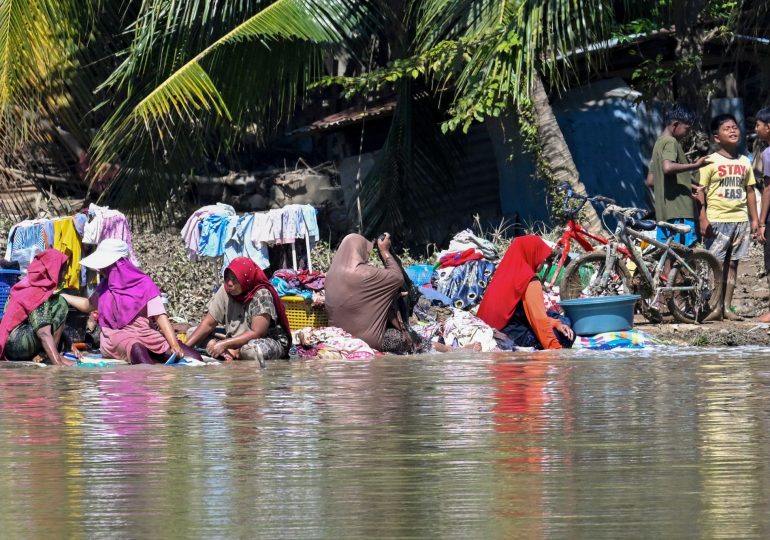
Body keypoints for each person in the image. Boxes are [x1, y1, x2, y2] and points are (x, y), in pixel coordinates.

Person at [61, 238, 199, 364]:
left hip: (145, 333)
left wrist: (174, 345)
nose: (101, 270)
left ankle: (157, 359)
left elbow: (160, 317)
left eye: (106, 266)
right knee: (137, 348)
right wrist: (63, 296)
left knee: (193, 358)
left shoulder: (145, 284)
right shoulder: (104, 287)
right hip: (115, 336)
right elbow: (88, 305)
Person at [695, 113, 759, 321]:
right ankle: (714, 306)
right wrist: (703, 217)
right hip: (717, 220)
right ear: (716, 137)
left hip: (740, 220)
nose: (733, 131)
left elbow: (750, 191)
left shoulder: (744, 161)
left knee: (734, 264)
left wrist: (755, 220)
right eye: (727, 128)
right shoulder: (710, 162)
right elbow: (700, 192)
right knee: (716, 263)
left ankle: (727, 307)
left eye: (735, 127)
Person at [185, 257, 291, 365]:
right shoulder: (225, 290)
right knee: (191, 332)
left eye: (235, 279)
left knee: (253, 351)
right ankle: (227, 351)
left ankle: (234, 352)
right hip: (233, 338)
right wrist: (184, 348)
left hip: (262, 340)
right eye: (228, 278)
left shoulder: (261, 294)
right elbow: (208, 324)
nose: (230, 283)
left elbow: (258, 332)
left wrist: (224, 344)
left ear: (246, 280)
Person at [477, 235, 574, 349]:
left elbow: (526, 315)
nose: (543, 261)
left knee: (556, 319)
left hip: (487, 331)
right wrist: (556, 350)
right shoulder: (529, 279)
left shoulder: (505, 272)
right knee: (565, 334)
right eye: (540, 255)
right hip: (508, 336)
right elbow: (539, 321)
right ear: (532, 253)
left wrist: (556, 323)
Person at [325, 233, 416, 353]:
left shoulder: (330, 276)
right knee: (411, 342)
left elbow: (360, 300)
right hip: (367, 340)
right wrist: (385, 251)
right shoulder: (363, 273)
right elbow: (397, 278)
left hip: (339, 337)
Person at [646, 103, 710, 246]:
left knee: (668, 257)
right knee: (684, 257)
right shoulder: (670, 142)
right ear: (675, 124)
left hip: (664, 213)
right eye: (687, 129)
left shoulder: (658, 143)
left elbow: (650, 180)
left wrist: (686, 185)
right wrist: (696, 165)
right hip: (679, 213)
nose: (687, 134)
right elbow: (668, 168)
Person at [0, 250, 75, 365]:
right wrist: (58, 363)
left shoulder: (27, 284)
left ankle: (46, 354)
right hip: (16, 345)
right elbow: (43, 333)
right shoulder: (37, 292)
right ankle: (50, 356)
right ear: (53, 270)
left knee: (56, 301)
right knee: (61, 303)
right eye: (63, 270)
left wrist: (69, 344)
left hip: (9, 344)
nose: (64, 275)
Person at [753, 107, 770, 322]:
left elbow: (768, 189)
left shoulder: (767, 153)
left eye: (758, 125)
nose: (755, 129)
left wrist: (762, 221)